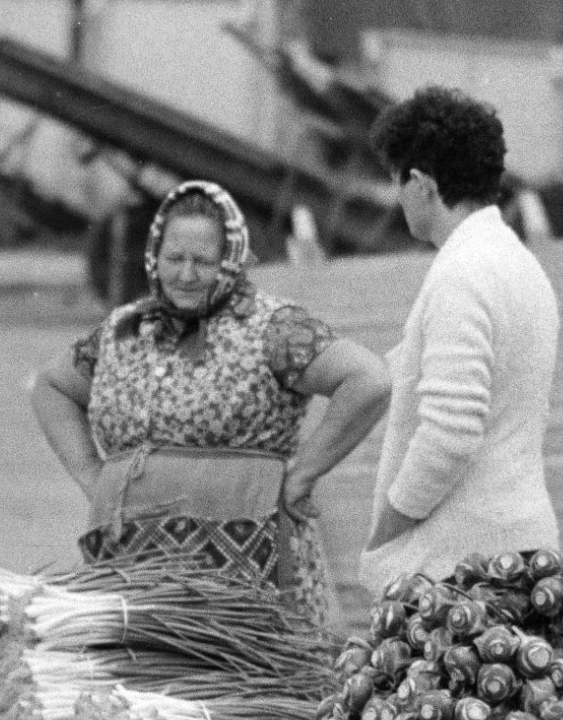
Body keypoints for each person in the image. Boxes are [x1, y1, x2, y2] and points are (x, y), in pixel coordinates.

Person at [32, 180, 388, 625]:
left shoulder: (272, 328)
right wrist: (91, 474)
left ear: (231, 260)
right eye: (174, 258)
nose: (185, 274)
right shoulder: (124, 329)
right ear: (154, 258)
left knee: (256, 683)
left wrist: (303, 475)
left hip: (250, 572)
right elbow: (52, 387)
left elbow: (368, 381)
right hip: (134, 566)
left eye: (202, 261)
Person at [361, 86, 561, 589]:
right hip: (518, 545)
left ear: (421, 184)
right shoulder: (519, 262)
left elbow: (449, 435)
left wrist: (387, 529)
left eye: (397, 183)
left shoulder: (463, 273)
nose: (398, 198)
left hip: (463, 567)